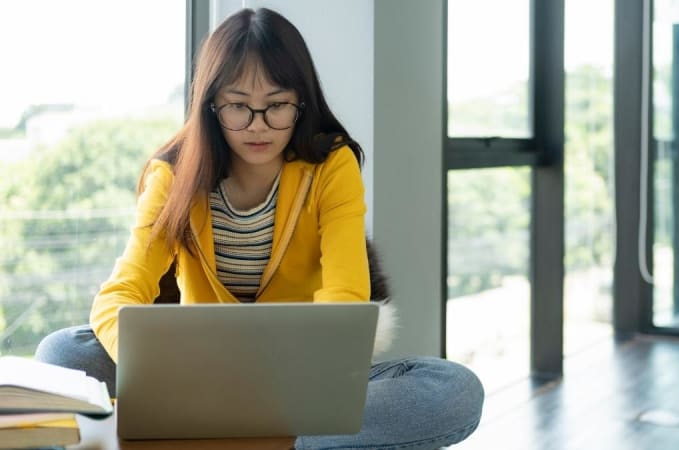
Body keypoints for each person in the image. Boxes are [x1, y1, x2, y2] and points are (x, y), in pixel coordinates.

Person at [34, 7, 483, 450]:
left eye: (276, 106)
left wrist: (306, 381)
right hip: (198, 376)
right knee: (63, 353)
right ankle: (284, 439)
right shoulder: (172, 174)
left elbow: (346, 301)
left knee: (453, 388)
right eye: (238, 107)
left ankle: (239, 438)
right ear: (211, 105)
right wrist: (172, 373)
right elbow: (119, 294)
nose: (258, 126)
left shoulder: (331, 165)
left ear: (301, 102)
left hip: (300, 380)